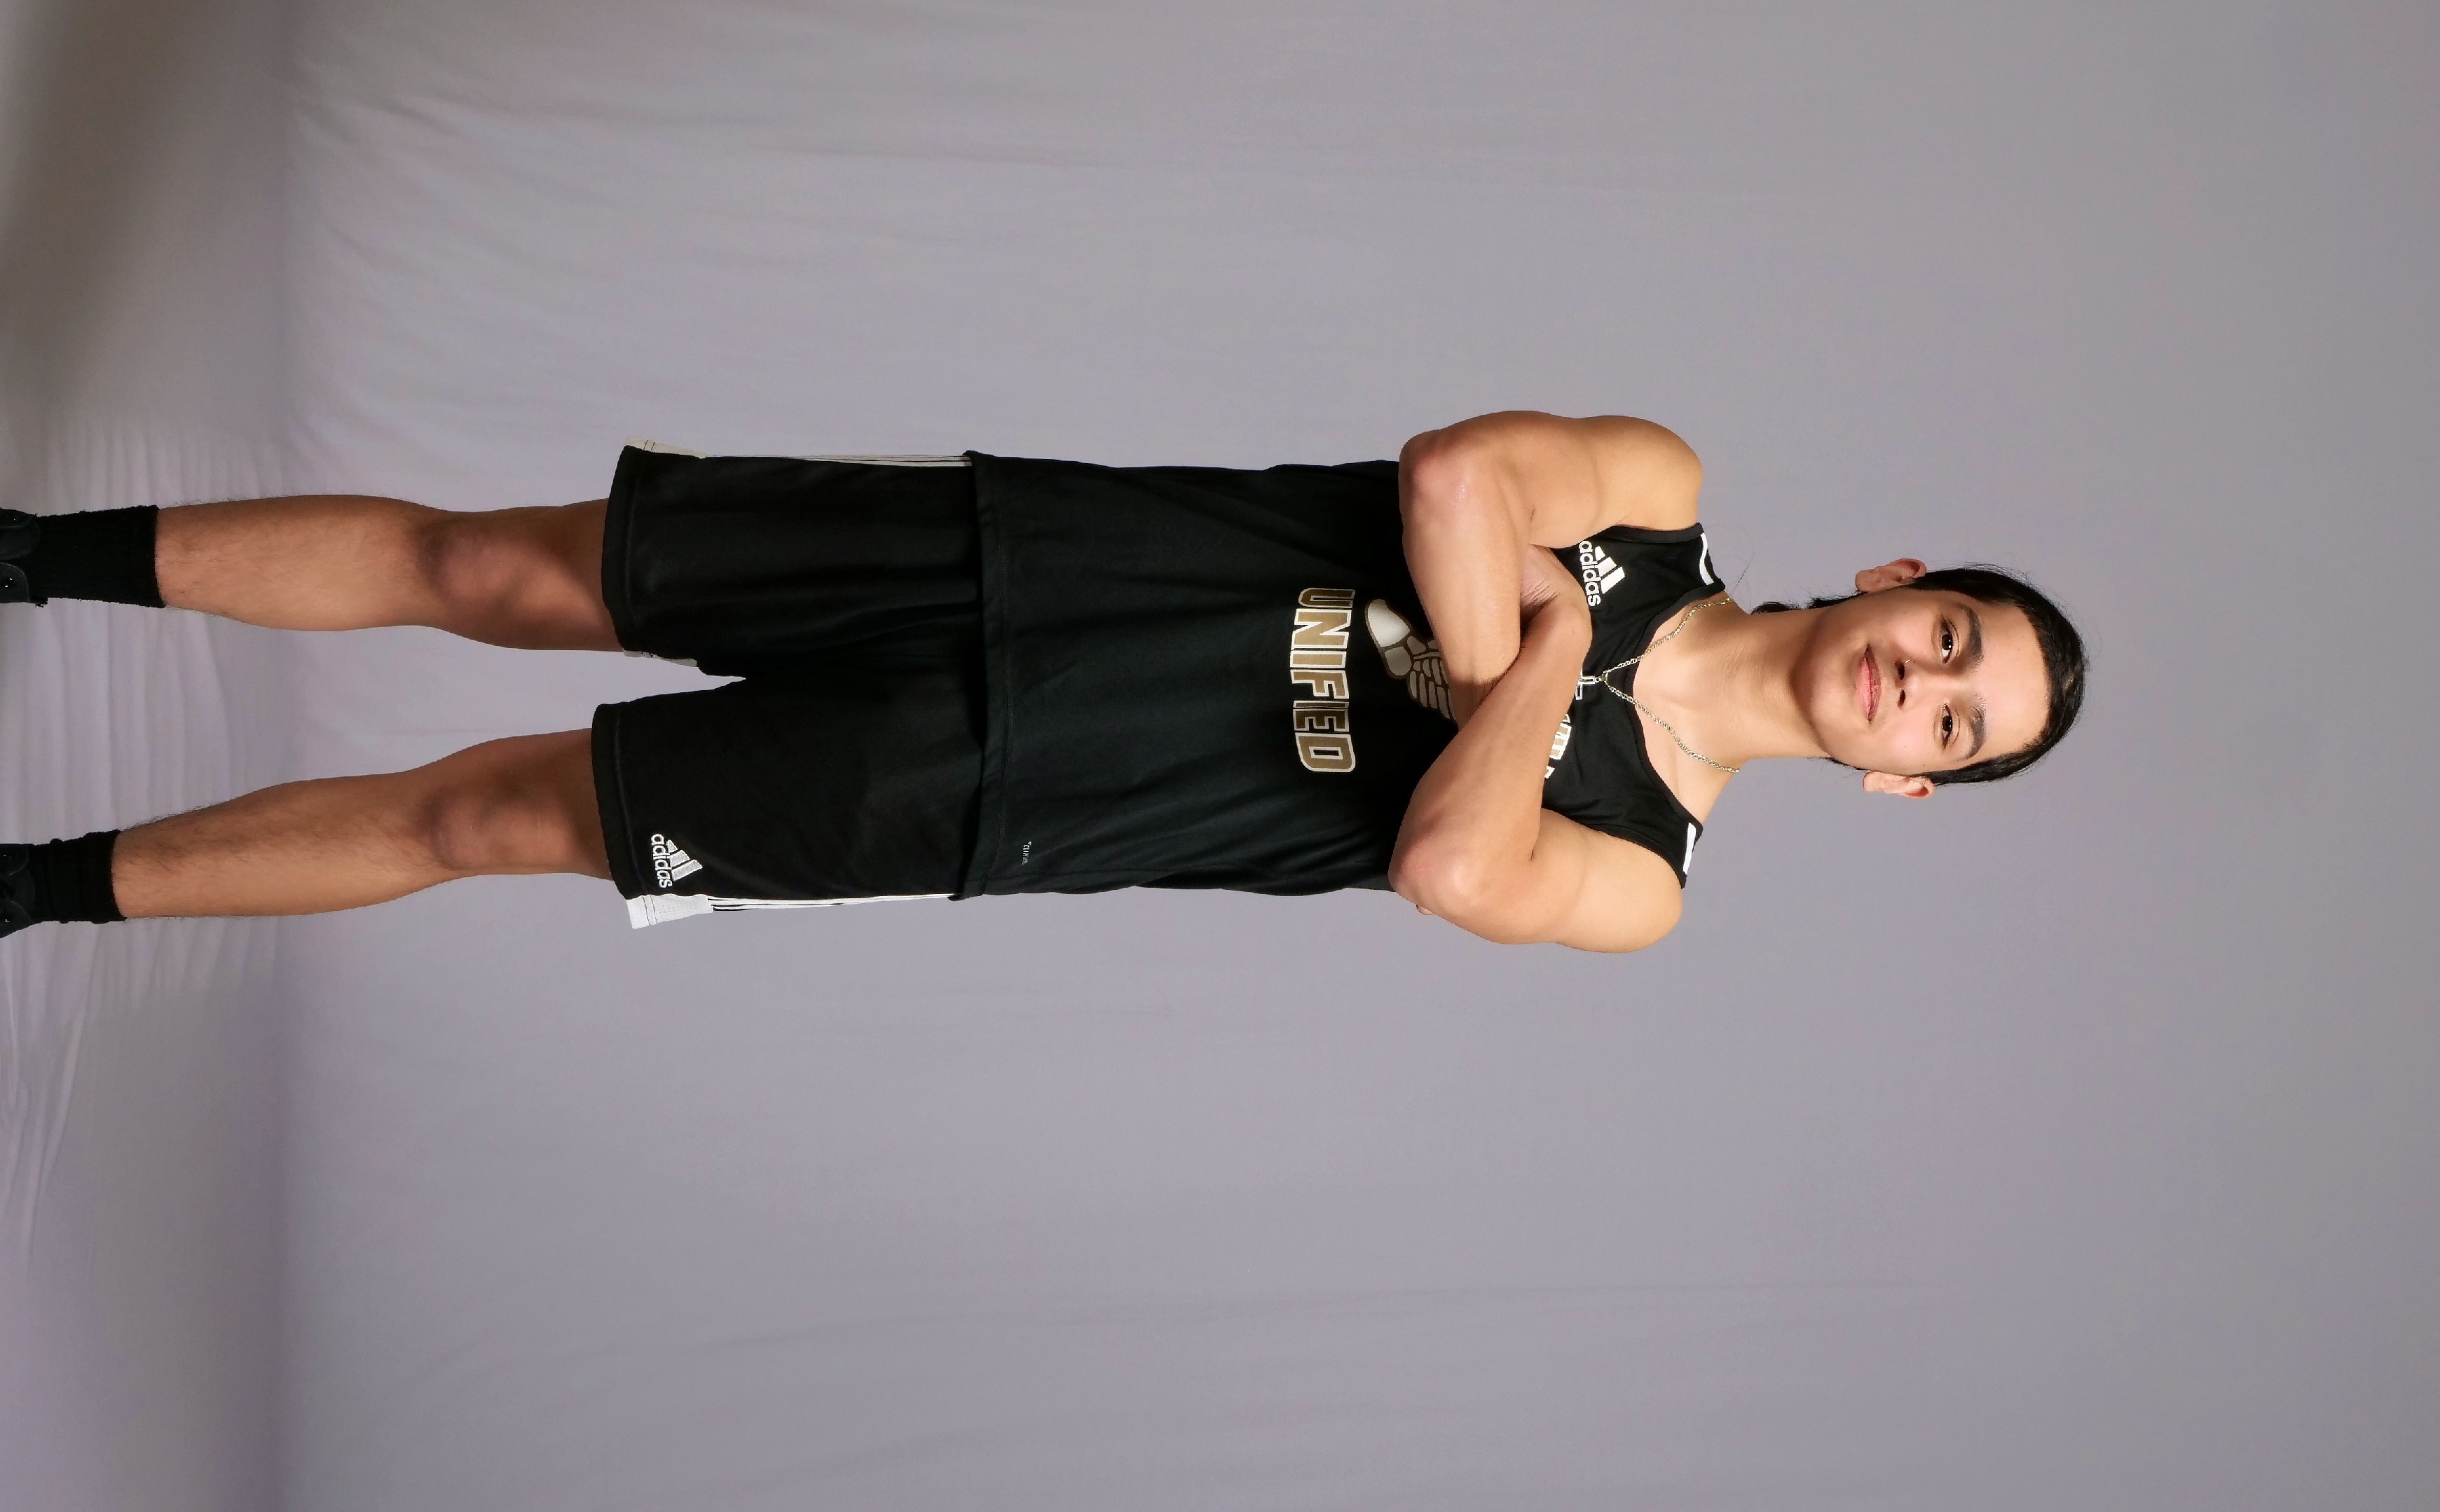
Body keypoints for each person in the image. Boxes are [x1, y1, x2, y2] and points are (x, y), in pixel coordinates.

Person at [0, 413, 2085, 953]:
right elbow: (1457, 478)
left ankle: (26, 890)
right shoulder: (1661, 490)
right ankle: (20, 555)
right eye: (1954, 641)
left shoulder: (1640, 872)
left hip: (1003, 786)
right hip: (1019, 551)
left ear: (1908, 784)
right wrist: (1524, 682)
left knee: (480, 818)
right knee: (488, 564)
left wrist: (1538, 640)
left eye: (1955, 727)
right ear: (1903, 581)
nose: (1918, 686)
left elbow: (1453, 867)